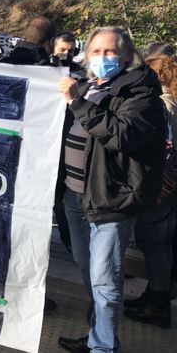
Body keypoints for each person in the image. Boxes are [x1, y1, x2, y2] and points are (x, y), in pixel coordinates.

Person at [56, 27, 165, 353]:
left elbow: (121, 134)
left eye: (110, 52)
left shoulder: (141, 93)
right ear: (86, 55)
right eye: (96, 52)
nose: (102, 58)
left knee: (105, 280)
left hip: (110, 199)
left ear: (127, 56)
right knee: (89, 271)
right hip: (75, 195)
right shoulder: (88, 87)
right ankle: (98, 336)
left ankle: (102, 348)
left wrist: (76, 102)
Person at [123, 42, 177, 328]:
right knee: (163, 245)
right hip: (170, 186)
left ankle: (157, 303)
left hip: (159, 186)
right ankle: (157, 294)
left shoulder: (162, 105)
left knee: (155, 244)